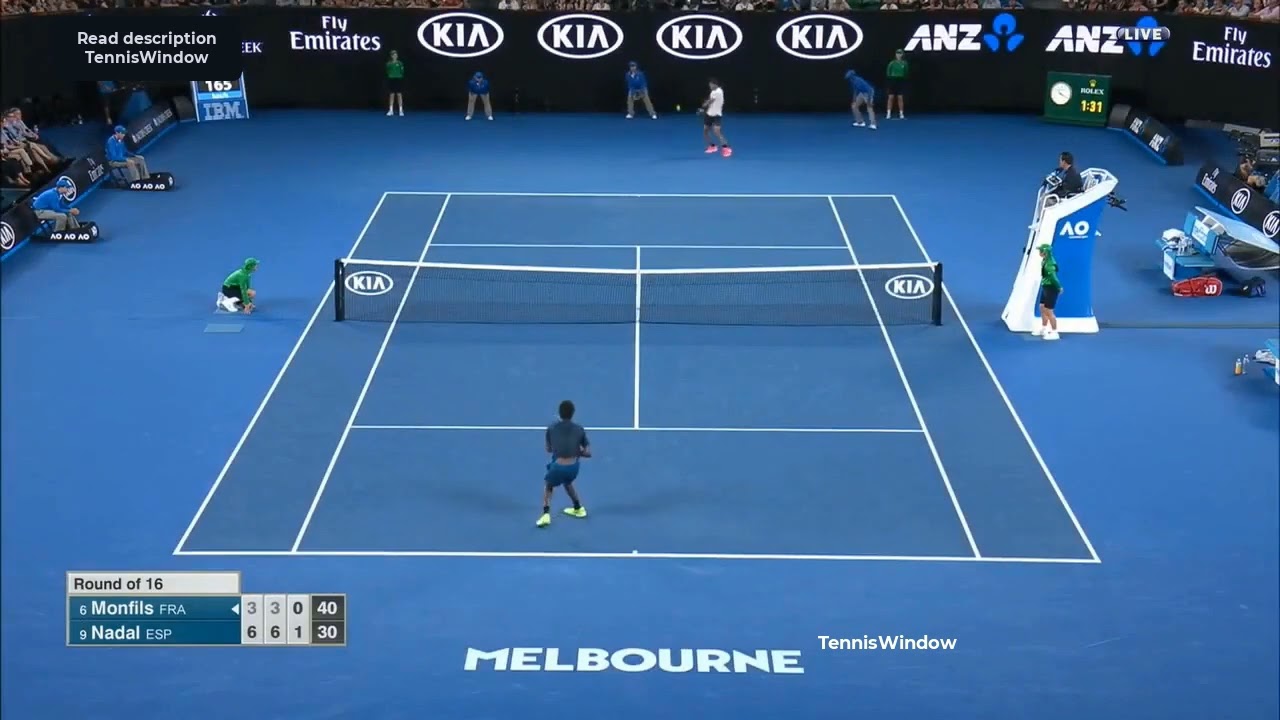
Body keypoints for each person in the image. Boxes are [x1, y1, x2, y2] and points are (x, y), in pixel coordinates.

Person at [537, 400, 591, 528]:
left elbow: (548, 449)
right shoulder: (579, 429)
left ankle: (545, 514)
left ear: (559, 413)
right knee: (567, 481)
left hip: (558, 467)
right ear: (573, 414)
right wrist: (576, 451)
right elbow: (588, 453)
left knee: (548, 485)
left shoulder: (551, 428)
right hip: (573, 468)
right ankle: (578, 508)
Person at [1034, 244, 1061, 340]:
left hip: (1051, 288)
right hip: (1045, 286)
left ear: (1044, 252)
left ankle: (1054, 332)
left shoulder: (1049, 265)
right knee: (1042, 307)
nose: (1039, 252)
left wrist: (1059, 287)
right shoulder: (1045, 261)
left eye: (1040, 251)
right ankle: (1044, 328)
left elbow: (1053, 278)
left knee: (1049, 311)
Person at [699, 78, 731, 157]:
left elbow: (710, 101)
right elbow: (710, 103)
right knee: (705, 131)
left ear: (715, 84)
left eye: (711, 85)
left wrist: (703, 107)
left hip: (717, 115)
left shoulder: (718, 91)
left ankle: (726, 148)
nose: (710, 86)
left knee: (717, 131)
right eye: (709, 85)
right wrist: (705, 109)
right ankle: (712, 146)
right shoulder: (713, 92)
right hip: (709, 114)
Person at [884, 49, 908, 120]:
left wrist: (902, 78)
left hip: (900, 81)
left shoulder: (904, 63)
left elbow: (906, 72)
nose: (898, 55)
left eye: (900, 53)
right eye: (897, 53)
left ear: (902, 54)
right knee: (891, 97)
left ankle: (901, 114)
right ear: (895, 54)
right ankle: (888, 114)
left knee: (900, 98)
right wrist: (891, 78)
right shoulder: (892, 63)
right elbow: (888, 72)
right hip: (892, 81)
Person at [386, 50, 405, 117]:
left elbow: (402, 71)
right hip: (391, 79)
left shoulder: (400, 63)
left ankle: (401, 110)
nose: (395, 56)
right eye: (393, 55)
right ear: (391, 56)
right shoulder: (388, 64)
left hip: (398, 79)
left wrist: (399, 76)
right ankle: (391, 110)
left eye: (396, 55)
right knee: (392, 94)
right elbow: (387, 71)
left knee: (399, 94)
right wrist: (391, 75)